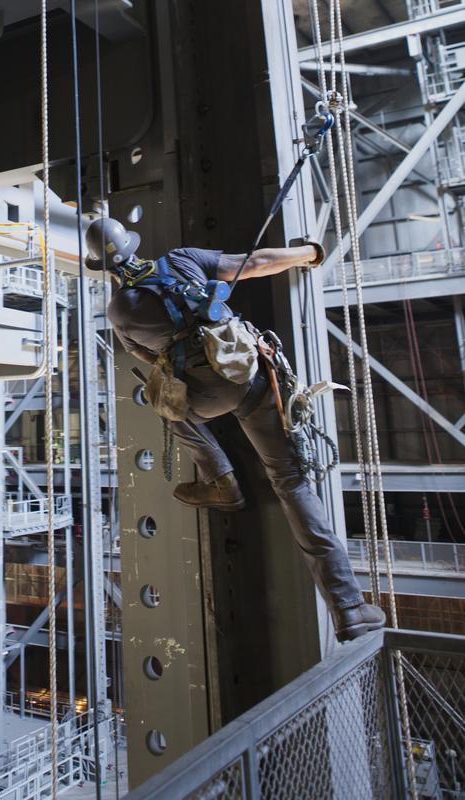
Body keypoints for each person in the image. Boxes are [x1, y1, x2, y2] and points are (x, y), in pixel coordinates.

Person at [86, 216, 385, 643]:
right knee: (291, 484)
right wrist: (309, 254)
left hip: (207, 398)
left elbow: (152, 359)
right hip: (254, 378)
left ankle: (220, 480)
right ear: (134, 247)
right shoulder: (182, 259)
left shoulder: (120, 311)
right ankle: (349, 607)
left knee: (169, 409)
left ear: (105, 267)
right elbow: (256, 262)